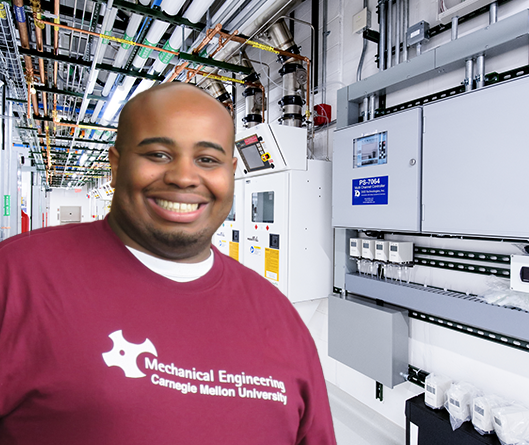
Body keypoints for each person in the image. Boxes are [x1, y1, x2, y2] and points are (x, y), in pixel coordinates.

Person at [0, 83, 336, 444]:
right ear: (116, 164)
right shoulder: (19, 278)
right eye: (158, 154)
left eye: (207, 159)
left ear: (232, 171)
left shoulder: (278, 316)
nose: (184, 177)